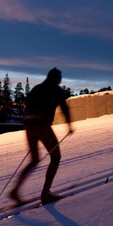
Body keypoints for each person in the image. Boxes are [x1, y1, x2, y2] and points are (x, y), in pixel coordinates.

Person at [9, 67, 74, 205]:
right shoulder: (56, 90)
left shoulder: (37, 88)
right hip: (43, 126)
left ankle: (15, 190)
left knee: (34, 160)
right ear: (57, 79)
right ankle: (45, 193)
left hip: (29, 126)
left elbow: (27, 105)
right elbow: (64, 108)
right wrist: (69, 125)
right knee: (56, 157)